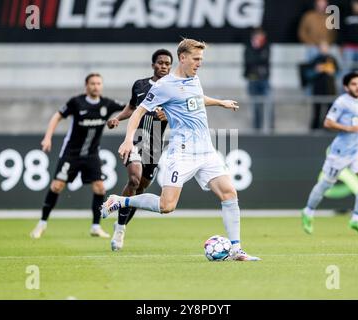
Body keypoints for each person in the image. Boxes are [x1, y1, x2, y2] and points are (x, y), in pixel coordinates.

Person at [101, 39, 259, 261]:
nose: (199, 63)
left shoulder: (194, 78)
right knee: (167, 206)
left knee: (229, 193)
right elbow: (138, 112)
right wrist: (128, 140)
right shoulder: (163, 86)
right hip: (182, 152)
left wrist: (220, 102)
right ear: (182, 58)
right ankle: (120, 200)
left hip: (206, 151)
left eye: (201, 59)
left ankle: (236, 250)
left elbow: (196, 99)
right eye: (196, 59)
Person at [30, 73, 125, 239]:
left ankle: (96, 226)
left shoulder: (107, 104)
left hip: (92, 154)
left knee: (100, 188)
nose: (96, 86)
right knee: (57, 186)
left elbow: (128, 108)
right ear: (86, 86)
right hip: (71, 153)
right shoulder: (76, 102)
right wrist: (47, 137)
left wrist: (117, 119)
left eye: (98, 83)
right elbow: (57, 116)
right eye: (92, 83)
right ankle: (42, 223)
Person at [106, 49, 173, 251]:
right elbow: (133, 107)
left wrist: (168, 117)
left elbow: (181, 115)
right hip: (136, 139)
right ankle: (119, 231)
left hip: (155, 145)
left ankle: (120, 225)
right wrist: (118, 117)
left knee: (141, 189)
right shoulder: (140, 85)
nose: (163, 66)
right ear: (153, 65)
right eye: (160, 62)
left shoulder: (173, 88)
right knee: (134, 180)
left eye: (167, 63)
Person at [301, 72, 358, 236]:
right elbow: (327, 122)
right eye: (354, 84)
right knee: (326, 184)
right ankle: (308, 212)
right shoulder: (341, 102)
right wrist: (348, 129)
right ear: (346, 87)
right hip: (340, 152)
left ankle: (356, 219)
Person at [243, 28, 272, 130]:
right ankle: (257, 130)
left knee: (269, 106)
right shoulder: (248, 46)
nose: (261, 38)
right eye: (259, 36)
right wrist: (256, 52)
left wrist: (258, 51)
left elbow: (264, 59)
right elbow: (249, 61)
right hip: (252, 79)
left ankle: (270, 130)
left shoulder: (266, 46)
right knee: (255, 107)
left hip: (264, 79)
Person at [309, 41, 339, 129]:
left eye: (325, 47)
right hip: (318, 89)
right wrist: (317, 71)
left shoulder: (332, 59)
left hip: (330, 89)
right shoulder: (316, 59)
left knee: (330, 112)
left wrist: (332, 72)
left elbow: (338, 72)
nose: (324, 49)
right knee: (317, 111)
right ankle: (314, 129)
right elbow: (308, 74)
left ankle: (328, 129)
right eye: (322, 47)